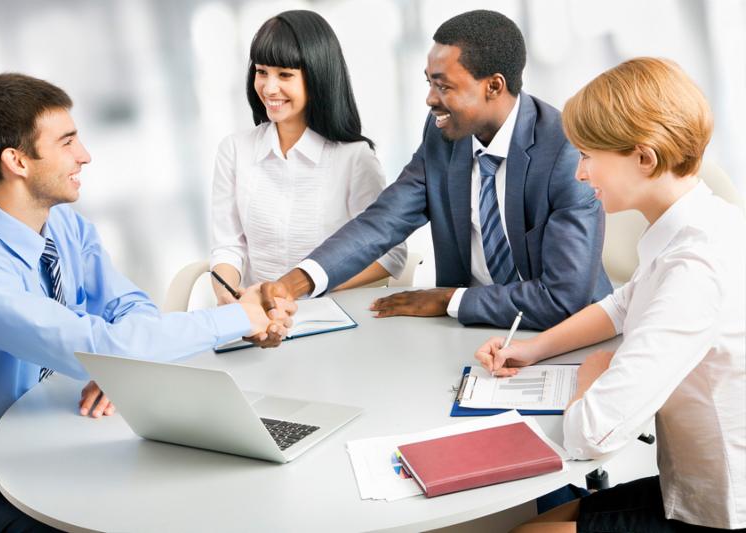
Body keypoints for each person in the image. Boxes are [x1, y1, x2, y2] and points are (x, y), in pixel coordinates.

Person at [0, 73, 291, 532]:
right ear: (17, 161)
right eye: (67, 142)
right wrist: (238, 316)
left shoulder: (66, 226)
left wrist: (117, 366)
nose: (84, 155)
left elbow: (129, 308)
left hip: (62, 433)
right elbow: (101, 340)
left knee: (199, 500)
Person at [476, 58, 746, 531]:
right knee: (536, 517)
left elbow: (590, 436)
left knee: (523, 529)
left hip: (722, 508)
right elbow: (622, 304)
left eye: (588, 156)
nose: (580, 174)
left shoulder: (695, 268)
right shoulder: (698, 225)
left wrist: (592, 376)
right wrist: (531, 349)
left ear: (644, 157)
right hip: (689, 482)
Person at [258, 10, 612, 332]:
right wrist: (292, 284)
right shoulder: (444, 137)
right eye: (429, 82)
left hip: (565, 335)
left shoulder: (565, 151)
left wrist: (448, 300)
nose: (429, 98)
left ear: (493, 86)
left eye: (443, 86)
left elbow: (564, 299)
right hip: (466, 332)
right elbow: (381, 222)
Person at [210, 9, 406, 306]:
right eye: (262, 72)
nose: (269, 87)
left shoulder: (354, 158)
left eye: (285, 74)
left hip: (329, 314)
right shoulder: (234, 150)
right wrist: (230, 297)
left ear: (317, 78)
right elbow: (228, 247)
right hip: (256, 317)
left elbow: (391, 255)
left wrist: (307, 290)